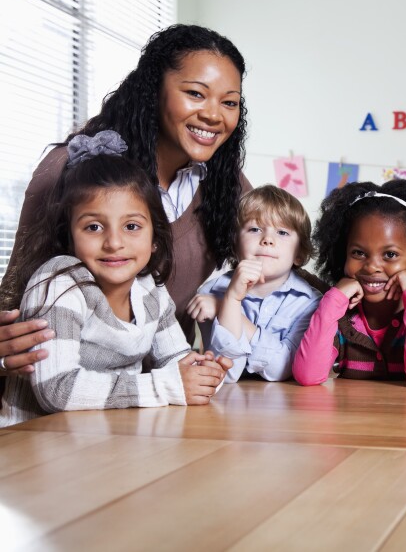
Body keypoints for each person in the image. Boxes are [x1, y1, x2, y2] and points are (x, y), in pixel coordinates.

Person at [0, 23, 250, 380]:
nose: (214, 114)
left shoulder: (227, 184)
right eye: (196, 94)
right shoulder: (72, 168)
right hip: (67, 395)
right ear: (154, 90)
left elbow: (280, 260)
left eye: (229, 102)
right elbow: (14, 290)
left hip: (167, 392)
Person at [0, 132, 231, 427]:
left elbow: (177, 360)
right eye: (94, 227)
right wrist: (165, 386)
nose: (114, 242)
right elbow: (56, 390)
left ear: (154, 239)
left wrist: (203, 373)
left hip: (103, 438)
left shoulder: (150, 289)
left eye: (131, 226)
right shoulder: (59, 282)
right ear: (69, 236)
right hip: (36, 442)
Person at [293, 179, 406, 388]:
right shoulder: (340, 315)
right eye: (358, 253)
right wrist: (333, 300)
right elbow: (308, 375)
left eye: (390, 254)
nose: (372, 266)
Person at [189, 186, 322, 383]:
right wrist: (232, 298)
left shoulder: (310, 302)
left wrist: (224, 306)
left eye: (283, 232)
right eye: (254, 229)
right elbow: (227, 373)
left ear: (299, 253)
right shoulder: (211, 291)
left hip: (285, 404)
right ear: (235, 245)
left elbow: (281, 369)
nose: (268, 239)